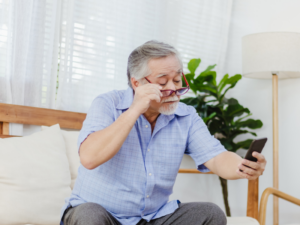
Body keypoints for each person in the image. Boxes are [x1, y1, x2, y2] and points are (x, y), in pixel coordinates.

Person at [60, 40, 267, 225]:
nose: (173, 90)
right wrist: (134, 110)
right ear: (137, 83)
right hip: (102, 215)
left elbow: (216, 157)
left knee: (210, 213)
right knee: (89, 216)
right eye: (162, 82)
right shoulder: (107, 104)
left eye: (177, 80)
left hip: (152, 218)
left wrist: (242, 167)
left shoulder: (185, 116)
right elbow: (89, 158)